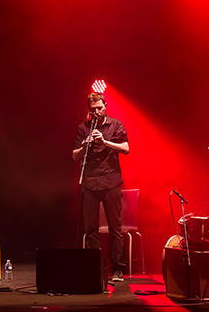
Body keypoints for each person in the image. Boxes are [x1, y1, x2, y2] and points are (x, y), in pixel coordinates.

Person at [72, 92, 129, 282]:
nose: (97, 112)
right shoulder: (83, 127)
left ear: (106, 106)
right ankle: (94, 267)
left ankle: (118, 269)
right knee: (91, 229)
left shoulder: (115, 125)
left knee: (115, 227)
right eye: (93, 109)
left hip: (111, 181)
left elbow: (126, 148)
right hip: (90, 183)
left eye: (100, 108)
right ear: (89, 110)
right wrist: (85, 145)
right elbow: (74, 155)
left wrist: (104, 142)